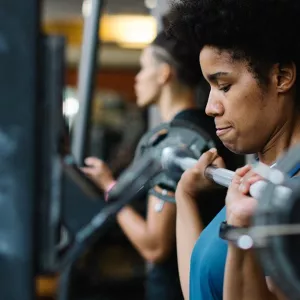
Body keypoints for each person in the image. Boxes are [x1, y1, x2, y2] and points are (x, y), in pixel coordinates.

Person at [81, 17, 241, 300]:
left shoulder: (177, 140)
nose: (137, 77)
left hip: (175, 288)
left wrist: (107, 187)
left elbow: (154, 246)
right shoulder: (204, 128)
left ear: (164, 74)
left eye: (144, 68)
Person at [168, 0, 300, 299]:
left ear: (281, 77)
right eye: (210, 88)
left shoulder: (290, 195)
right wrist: (185, 195)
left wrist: (241, 229)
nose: (210, 107)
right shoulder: (251, 181)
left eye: (224, 86)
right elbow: (199, 289)